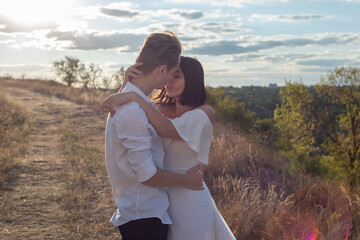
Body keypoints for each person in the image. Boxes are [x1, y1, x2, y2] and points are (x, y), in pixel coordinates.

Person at [101, 56, 236, 240]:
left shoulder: (203, 113)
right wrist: (128, 86)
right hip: (159, 196)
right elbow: (124, 113)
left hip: (189, 195)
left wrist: (133, 96)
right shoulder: (155, 108)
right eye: (169, 75)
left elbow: (166, 129)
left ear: (192, 79)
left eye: (177, 76)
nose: (168, 81)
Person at [103, 32, 204, 240]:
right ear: (162, 70)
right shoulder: (132, 111)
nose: (170, 80)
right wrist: (187, 181)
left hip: (145, 214)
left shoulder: (133, 104)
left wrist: (126, 88)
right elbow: (147, 175)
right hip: (144, 217)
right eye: (173, 72)